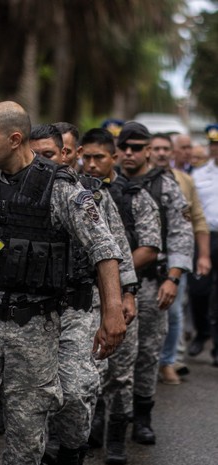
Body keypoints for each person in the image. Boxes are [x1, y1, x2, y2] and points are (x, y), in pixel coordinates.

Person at [0, 101, 125, 465]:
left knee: (26, 438)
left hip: (35, 328)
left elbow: (104, 249)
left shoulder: (60, 189)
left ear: (14, 139)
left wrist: (113, 312)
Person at [29, 123, 137, 465]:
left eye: (49, 155)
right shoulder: (21, 193)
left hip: (80, 303)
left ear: (66, 154)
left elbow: (116, 248)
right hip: (33, 310)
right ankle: (46, 451)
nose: (42, 163)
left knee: (76, 391)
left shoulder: (92, 195)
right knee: (34, 396)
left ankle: (72, 451)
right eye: (36, 156)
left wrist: (124, 299)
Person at [80, 127, 162, 465]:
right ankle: (92, 428)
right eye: (87, 157)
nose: (92, 164)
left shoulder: (134, 195)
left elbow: (148, 247)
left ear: (112, 158)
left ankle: (118, 436)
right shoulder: (76, 192)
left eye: (99, 157)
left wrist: (114, 278)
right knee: (91, 369)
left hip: (127, 291)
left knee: (124, 370)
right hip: (87, 297)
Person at [116, 122, 194, 448]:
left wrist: (174, 278)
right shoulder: (106, 184)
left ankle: (142, 417)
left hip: (151, 284)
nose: (130, 153)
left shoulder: (165, 186)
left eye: (137, 147)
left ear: (149, 150)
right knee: (111, 355)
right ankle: (106, 421)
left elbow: (180, 232)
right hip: (111, 285)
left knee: (147, 353)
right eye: (125, 147)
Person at [149, 133, 211, 383]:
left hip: (174, 258)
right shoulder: (133, 179)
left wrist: (203, 255)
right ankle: (142, 364)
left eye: (166, 149)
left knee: (173, 313)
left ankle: (168, 362)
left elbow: (197, 219)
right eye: (157, 149)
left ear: (172, 153)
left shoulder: (184, 180)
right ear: (148, 151)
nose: (162, 153)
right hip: (143, 257)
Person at [187, 124, 218, 367]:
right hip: (204, 238)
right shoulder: (198, 175)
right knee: (198, 290)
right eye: (214, 144)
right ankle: (202, 331)